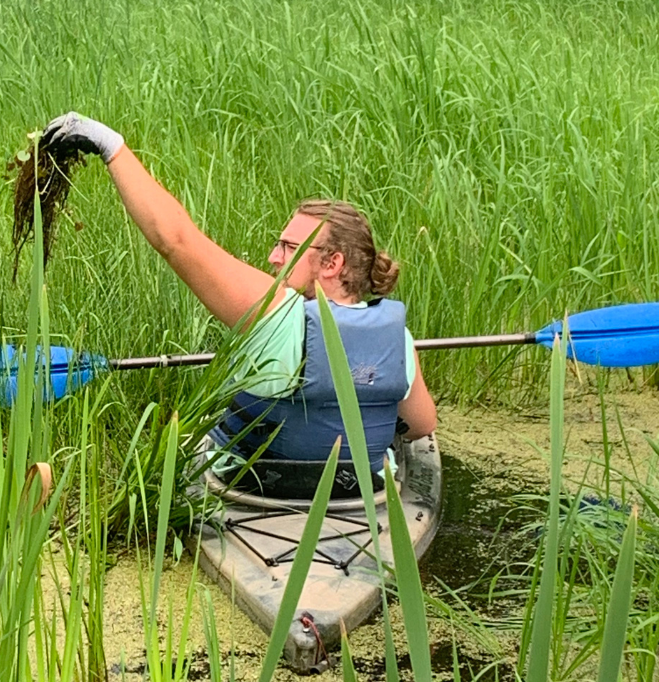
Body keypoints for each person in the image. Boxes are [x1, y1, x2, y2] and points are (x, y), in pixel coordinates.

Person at [40, 112, 437, 497]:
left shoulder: (277, 315)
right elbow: (421, 425)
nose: (273, 257)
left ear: (332, 263)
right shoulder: (397, 339)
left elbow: (176, 241)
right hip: (357, 496)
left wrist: (110, 145)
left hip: (255, 490)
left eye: (288, 247)